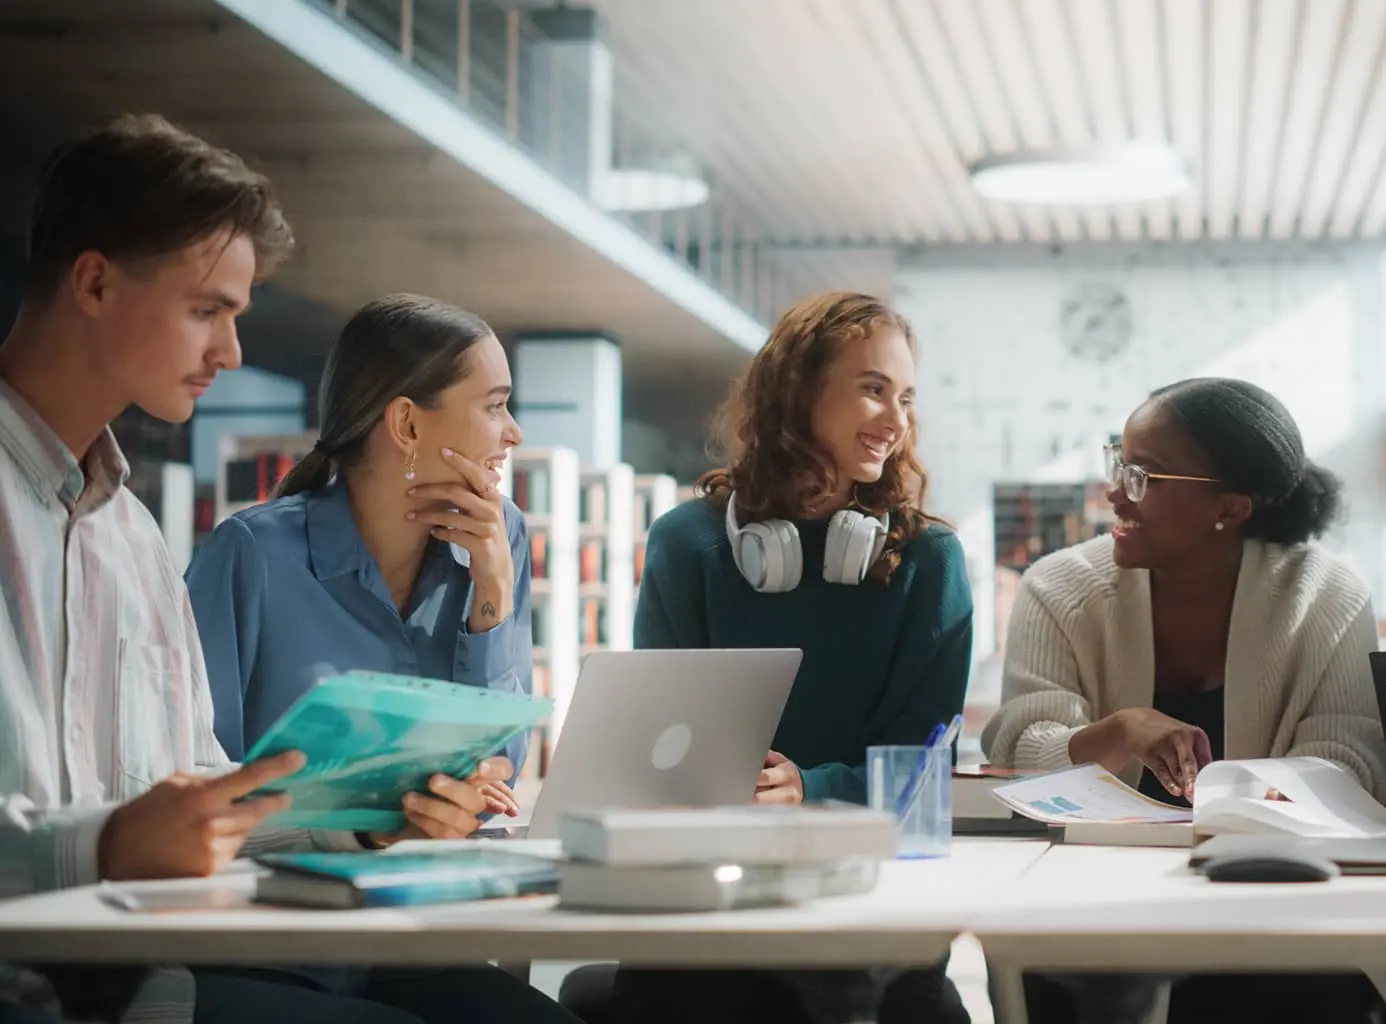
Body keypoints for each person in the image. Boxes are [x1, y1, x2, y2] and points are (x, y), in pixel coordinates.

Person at [0, 115, 569, 1024]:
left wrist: (364, 819)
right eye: (206, 310)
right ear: (96, 283)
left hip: (159, 978)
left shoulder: (133, 543)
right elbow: (152, 827)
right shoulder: (242, 553)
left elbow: (210, 792)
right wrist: (107, 842)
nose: (230, 353)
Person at [564, 292, 974, 1024]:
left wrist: (806, 789)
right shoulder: (688, 543)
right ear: (798, 390)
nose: (896, 420)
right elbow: (661, 743)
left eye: (905, 397)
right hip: (710, 889)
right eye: (873, 389)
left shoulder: (929, 559)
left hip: (866, 892)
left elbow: (922, 766)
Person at [982, 377, 1386, 1024]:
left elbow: (1348, 760)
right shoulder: (1056, 588)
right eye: (1119, 462)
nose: (1113, 491)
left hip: (1272, 906)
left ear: (1230, 508)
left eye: (1146, 475)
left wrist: (1239, 803)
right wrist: (1119, 732)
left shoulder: (1327, 595)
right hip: (1089, 908)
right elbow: (1018, 753)